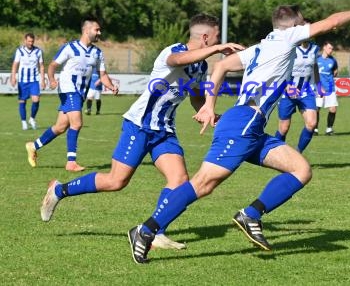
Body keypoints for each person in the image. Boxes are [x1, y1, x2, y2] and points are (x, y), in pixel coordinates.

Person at [125, 5, 350, 264]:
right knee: (203, 184)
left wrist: (210, 105)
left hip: (253, 127)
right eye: (303, 23)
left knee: (301, 170)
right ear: (293, 26)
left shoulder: (262, 46)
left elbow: (222, 65)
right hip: (243, 124)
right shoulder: (286, 38)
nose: (308, 28)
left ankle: (250, 214)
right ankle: (145, 231)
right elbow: (332, 23)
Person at [39, 13, 244, 250]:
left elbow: (196, 96)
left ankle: (155, 232)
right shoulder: (174, 50)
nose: (220, 40)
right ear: (206, 38)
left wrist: (208, 111)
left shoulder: (200, 66)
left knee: (179, 180)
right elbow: (178, 60)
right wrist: (218, 49)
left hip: (164, 130)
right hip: (139, 125)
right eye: (218, 37)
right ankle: (59, 190)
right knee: (116, 181)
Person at [25, 19, 118, 172]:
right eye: (97, 30)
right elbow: (53, 65)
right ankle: (71, 162)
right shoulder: (70, 47)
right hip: (68, 88)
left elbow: (103, 75)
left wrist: (111, 86)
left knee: (61, 127)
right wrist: (52, 79)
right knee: (77, 123)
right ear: (86, 30)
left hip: (80, 93)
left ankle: (33, 146)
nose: (99, 33)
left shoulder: (97, 53)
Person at [275, 39, 320, 153]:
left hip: (306, 91)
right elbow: (279, 69)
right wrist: (286, 86)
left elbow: (315, 67)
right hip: (287, 92)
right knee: (283, 128)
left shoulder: (314, 49)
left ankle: (297, 153)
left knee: (312, 123)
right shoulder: (290, 48)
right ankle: (276, 154)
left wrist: (319, 85)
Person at [10, 33, 45, 130]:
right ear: (25, 40)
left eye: (32, 41)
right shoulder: (19, 51)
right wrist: (13, 77)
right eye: (29, 41)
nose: (30, 43)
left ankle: (32, 119)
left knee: (36, 99)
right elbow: (15, 65)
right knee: (22, 101)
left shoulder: (38, 51)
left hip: (34, 80)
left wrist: (42, 80)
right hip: (22, 81)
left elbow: (41, 66)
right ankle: (24, 121)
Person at [315, 41, 338, 136]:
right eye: (329, 48)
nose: (331, 50)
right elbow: (313, 73)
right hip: (319, 88)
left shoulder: (333, 60)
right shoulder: (317, 59)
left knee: (333, 109)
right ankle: (315, 129)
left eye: (332, 49)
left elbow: (335, 71)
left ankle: (329, 129)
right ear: (324, 47)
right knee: (317, 109)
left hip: (330, 88)